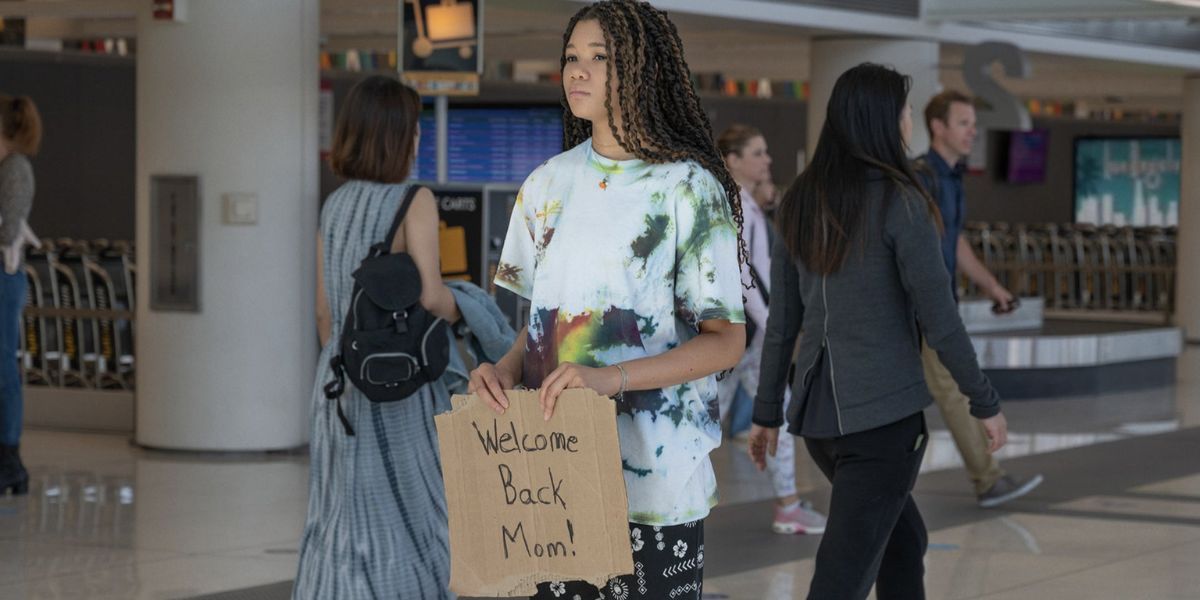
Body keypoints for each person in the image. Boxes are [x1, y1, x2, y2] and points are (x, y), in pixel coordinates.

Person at [470, 2, 747, 598]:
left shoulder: (688, 188)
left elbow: (726, 341)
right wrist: (504, 368)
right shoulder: (546, 184)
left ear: (642, 70)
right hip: (552, 475)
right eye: (572, 57)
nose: (578, 71)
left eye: (600, 58)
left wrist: (610, 379)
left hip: (654, 484)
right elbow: (544, 321)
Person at [748, 63, 1008, 600]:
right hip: (882, 422)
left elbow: (782, 324)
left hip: (820, 419)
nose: (909, 121)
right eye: (906, 111)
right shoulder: (901, 201)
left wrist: (768, 412)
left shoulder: (800, 200)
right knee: (843, 575)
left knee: (904, 540)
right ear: (884, 121)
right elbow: (940, 319)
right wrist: (984, 401)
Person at [293, 75, 462, 599]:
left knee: (339, 521)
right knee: (413, 516)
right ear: (399, 137)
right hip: (396, 387)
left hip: (337, 383)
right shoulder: (414, 200)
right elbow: (431, 297)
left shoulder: (335, 203)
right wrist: (469, 306)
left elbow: (325, 314)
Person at [917, 90, 1044, 508]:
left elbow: (954, 244)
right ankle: (987, 479)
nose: (974, 131)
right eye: (964, 123)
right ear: (938, 127)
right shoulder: (924, 177)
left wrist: (992, 287)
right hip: (924, 310)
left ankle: (984, 478)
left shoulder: (952, 177)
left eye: (974, 123)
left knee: (941, 388)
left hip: (940, 307)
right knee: (952, 388)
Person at [718, 124, 826, 536]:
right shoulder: (737, 205)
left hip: (744, 336)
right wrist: (774, 325)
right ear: (733, 161)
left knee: (756, 412)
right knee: (708, 424)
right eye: (758, 152)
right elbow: (742, 274)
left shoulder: (741, 203)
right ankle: (788, 506)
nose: (767, 159)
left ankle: (789, 505)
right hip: (742, 334)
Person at [0, 94, 42, 497]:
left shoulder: (15, 169)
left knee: (2, 366)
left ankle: (10, 459)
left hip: (4, 274)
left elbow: (8, 229)